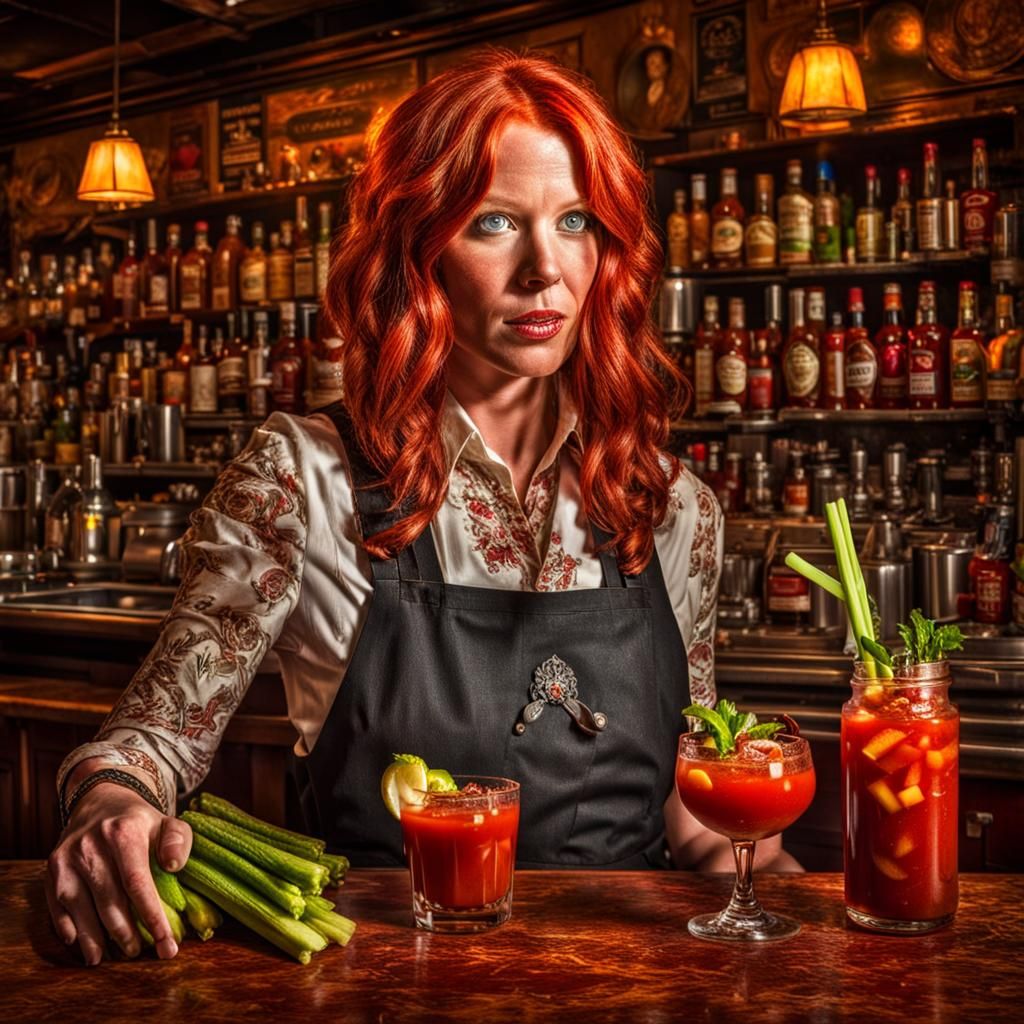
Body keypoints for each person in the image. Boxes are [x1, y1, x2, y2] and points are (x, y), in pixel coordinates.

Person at [45, 50, 801, 967]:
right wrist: (110, 808)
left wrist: (795, 902)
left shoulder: (670, 505)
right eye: (493, 223)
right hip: (392, 984)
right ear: (418, 248)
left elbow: (695, 807)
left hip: (631, 985)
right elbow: (149, 744)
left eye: (575, 222)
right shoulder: (306, 480)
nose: (545, 270)